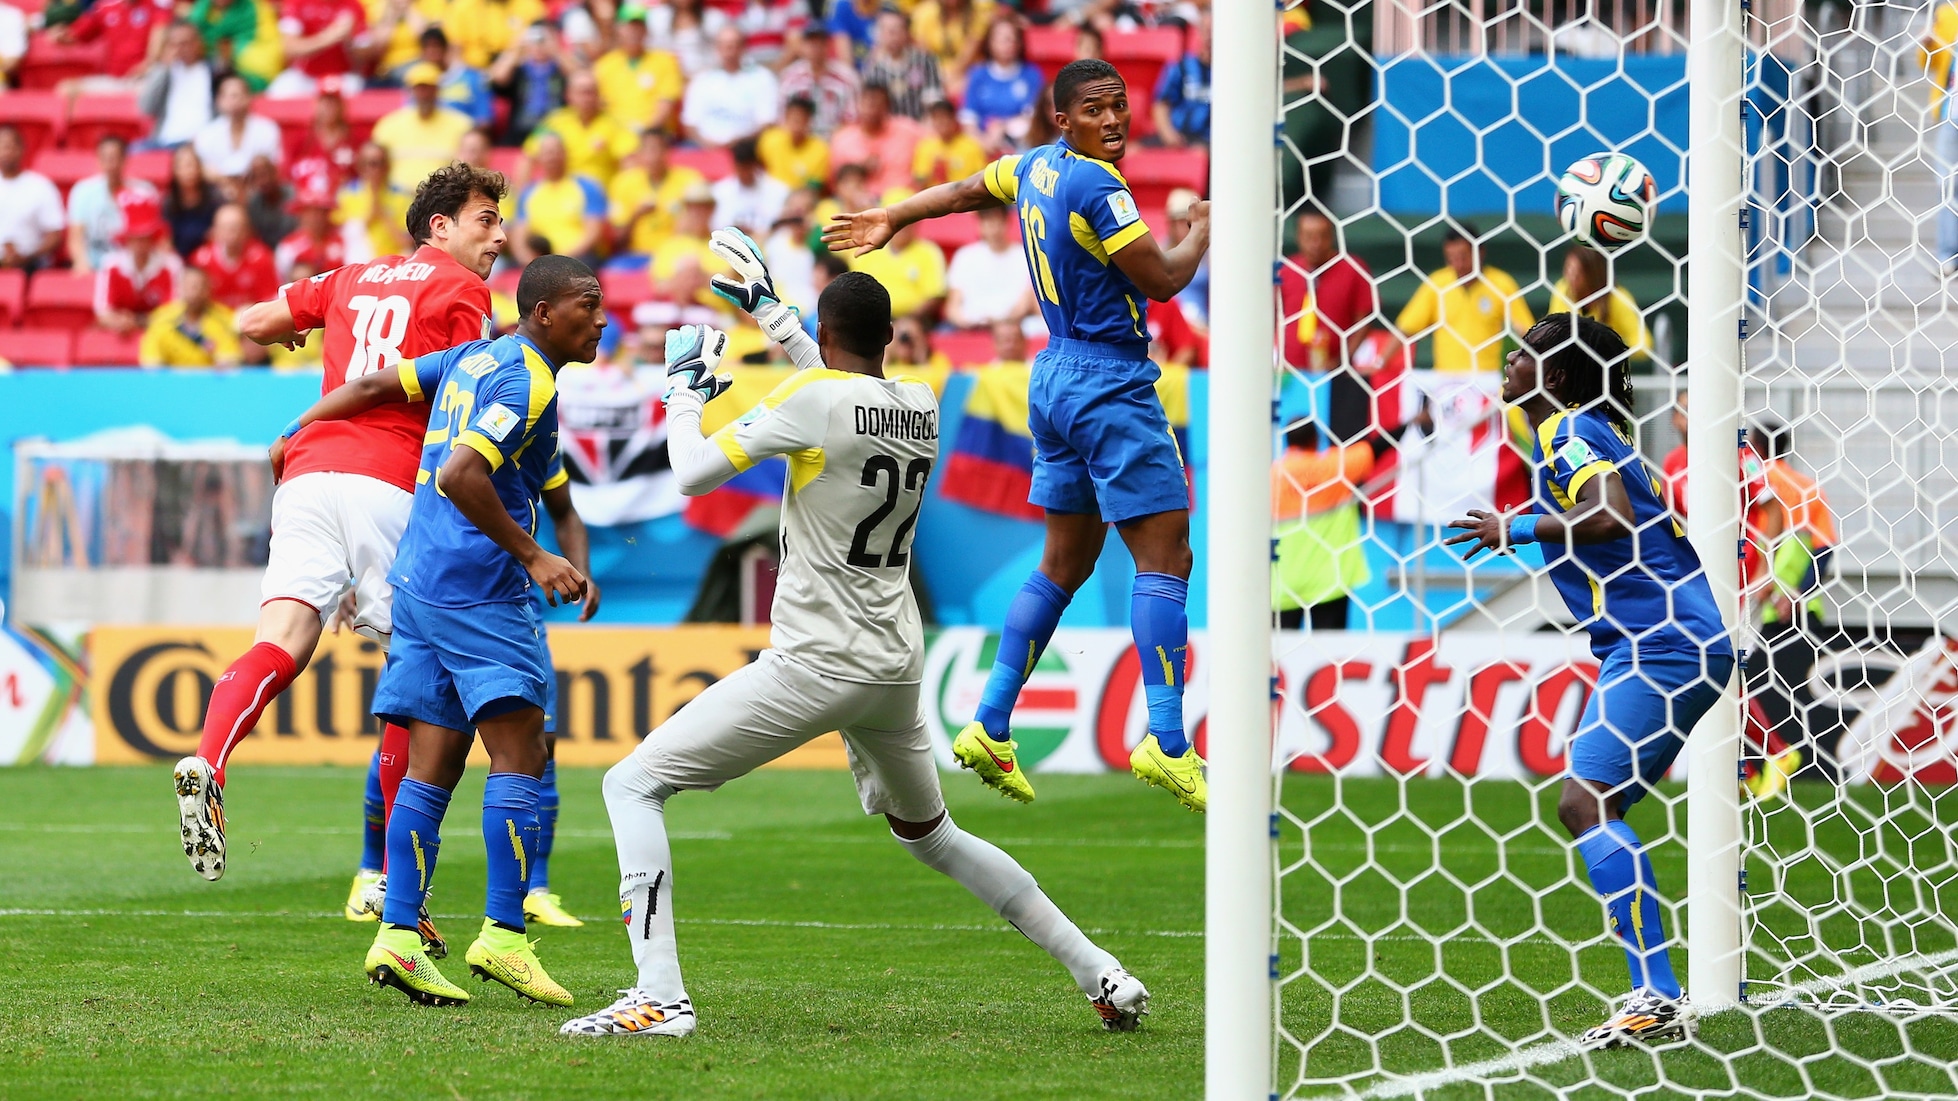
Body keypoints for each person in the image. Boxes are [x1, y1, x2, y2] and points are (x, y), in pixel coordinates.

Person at [557, 230, 1151, 1038]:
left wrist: (685, 389)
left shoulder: (817, 401)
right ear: (889, 339)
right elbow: (837, 394)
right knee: (933, 834)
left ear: (829, 337)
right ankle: (1101, 971)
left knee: (631, 784)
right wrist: (779, 319)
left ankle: (660, 995)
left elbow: (694, 471)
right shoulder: (920, 402)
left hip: (815, 662)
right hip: (893, 664)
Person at [824, 58, 1212, 810]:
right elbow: (1162, 280)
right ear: (1063, 119)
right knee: (1166, 554)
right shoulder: (1099, 185)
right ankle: (1169, 742)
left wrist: (896, 215)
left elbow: (969, 189)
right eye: (1095, 109)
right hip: (1110, 381)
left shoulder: (1034, 167)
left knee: (1064, 562)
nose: (1114, 120)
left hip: (1053, 377)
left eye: (1120, 106)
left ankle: (991, 722)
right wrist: (1198, 230)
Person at [264, 256, 598, 1008]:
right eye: (589, 304)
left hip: (415, 581)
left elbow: (372, 384)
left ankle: (398, 935)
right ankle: (505, 937)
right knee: (521, 750)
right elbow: (459, 473)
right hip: (477, 589)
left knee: (432, 762)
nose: (603, 318)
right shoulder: (526, 377)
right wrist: (534, 554)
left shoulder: (475, 356)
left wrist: (297, 427)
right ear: (545, 312)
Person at [171, 164, 506, 894]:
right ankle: (390, 883)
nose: (500, 236)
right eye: (486, 220)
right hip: (387, 481)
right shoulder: (465, 292)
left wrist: (299, 335)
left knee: (282, 639)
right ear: (439, 227)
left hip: (307, 471)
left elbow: (251, 322)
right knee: (412, 673)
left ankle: (209, 759)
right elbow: (467, 397)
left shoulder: (348, 276)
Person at [1444, 314, 1733, 1048]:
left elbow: (1608, 516)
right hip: (1659, 640)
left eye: (1526, 355)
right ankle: (1656, 990)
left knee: (1586, 801)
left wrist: (1515, 527)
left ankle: (1657, 995)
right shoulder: (1572, 435)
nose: (1509, 363)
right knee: (1593, 804)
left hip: (1661, 642)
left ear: (1561, 378)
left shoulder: (1568, 431)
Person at [1271, 397, 1372, 631]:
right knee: (1329, 656)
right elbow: (1374, 449)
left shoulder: (1272, 477)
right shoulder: (1335, 468)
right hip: (1331, 580)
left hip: (1283, 582)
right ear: (1316, 440)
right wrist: (1411, 423)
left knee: (1283, 657)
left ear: (1287, 442)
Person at [1280, 209, 1379, 442]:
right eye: (1308, 236)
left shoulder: (1352, 268)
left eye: (1321, 236)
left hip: (1338, 377)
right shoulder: (1286, 270)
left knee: (1335, 443)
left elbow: (1365, 318)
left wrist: (1343, 358)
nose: (1315, 243)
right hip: (1292, 377)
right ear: (1298, 237)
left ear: (1332, 237)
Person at [1394, 223, 1533, 374]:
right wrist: (1380, 362)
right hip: (1446, 380)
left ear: (1480, 252)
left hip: (1489, 380)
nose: (1458, 265)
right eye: (1451, 259)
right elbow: (1406, 328)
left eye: (1463, 257)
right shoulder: (1437, 284)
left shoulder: (1502, 284)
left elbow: (1525, 331)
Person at [371, 62, 474, 189]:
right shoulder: (388, 125)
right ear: (410, 91)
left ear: (438, 90)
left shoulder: (461, 125)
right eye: (419, 88)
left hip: (443, 196)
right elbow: (374, 165)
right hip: (397, 196)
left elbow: (470, 166)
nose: (424, 94)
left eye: (429, 88)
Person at [525, 68, 637, 185]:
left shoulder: (614, 124)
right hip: (564, 195)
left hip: (601, 196)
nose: (587, 98)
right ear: (569, 95)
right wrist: (523, 196)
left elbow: (629, 163)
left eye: (591, 92)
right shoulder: (554, 122)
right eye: (582, 92)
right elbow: (528, 157)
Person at [67, 135, 160, 273]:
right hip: (94, 267)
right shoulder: (82, 191)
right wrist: (82, 265)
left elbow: (155, 238)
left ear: (125, 159)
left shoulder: (144, 192)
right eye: (105, 158)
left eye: (115, 157)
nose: (110, 163)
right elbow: (75, 237)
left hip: (133, 271)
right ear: (98, 160)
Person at [608, 128, 705, 259]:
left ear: (667, 151)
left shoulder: (689, 180)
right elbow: (617, 238)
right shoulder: (624, 183)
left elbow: (701, 223)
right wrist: (636, 215)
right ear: (639, 153)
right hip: (636, 255)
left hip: (676, 254)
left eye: (658, 149)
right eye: (648, 150)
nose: (653, 156)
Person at [513, 132, 605, 265]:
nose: (552, 157)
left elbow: (593, 234)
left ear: (565, 154)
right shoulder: (529, 193)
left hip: (578, 259)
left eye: (556, 151)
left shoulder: (587, 187)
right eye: (547, 153)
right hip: (540, 260)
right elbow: (519, 239)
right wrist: (530, 261)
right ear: (540, 158)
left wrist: (558, 260)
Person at [680, 26, 779, 148]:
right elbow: (690, 124)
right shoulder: (702, 80)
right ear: (717, 48)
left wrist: (739, 144)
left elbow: (767, 122)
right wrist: (709, 145)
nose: (729, 51)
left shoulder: (762, 78)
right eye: (724, 46)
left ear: (743, 47)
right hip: (706, 150)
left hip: (749, 150)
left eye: (734, 45)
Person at [1550, 244, 1652, 362]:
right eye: (1567, 270)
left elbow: (1643, 344)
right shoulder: (1562, 290)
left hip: (1609, 372)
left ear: (1592, 274)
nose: (1570, 278)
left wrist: (1609, 348)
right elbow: (1552, 333)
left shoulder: (1617, 298)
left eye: (1577, 274)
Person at [592, 5, 683, 137]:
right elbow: (600, 107)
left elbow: (665, 105)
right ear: (618, 29)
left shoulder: (665, 61)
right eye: (628, 26)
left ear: (646, 30)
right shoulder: (604, 65)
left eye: (639, 26)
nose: (634, 31)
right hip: (616, 137)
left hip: (654, 136)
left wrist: (645, 133)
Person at [95, 199, 181, 332]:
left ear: (153, 239)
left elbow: (175, 312)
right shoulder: (111, 265)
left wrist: (137, 322)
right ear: (127, 240)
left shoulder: (171, 265)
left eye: (145, 238)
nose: (140, 245)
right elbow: (102, 312)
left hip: (160, 334)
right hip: (119, 333)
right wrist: (119, 322)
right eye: (135, 238)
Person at [944, 203, 1033, 330]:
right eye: (987, 222)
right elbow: (953, 306)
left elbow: (1026, 302)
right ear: (979, 224)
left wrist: (1002, 322)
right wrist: (967, 323)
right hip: (970, 327)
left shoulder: (1024, 256)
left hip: (1013, 326)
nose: (993, 228)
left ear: (1007, 221)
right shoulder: (964, 256)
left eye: (997, 221)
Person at [960, 15, 1041, 153]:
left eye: (1011, 39)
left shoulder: (1031, 75)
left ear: (1019, 43)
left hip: (1019, 143)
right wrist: (984, 142)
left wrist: (1003, 127)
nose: (1007, 44)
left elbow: (1033, 117)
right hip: (982, 142)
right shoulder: (978, 75)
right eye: (1001, 39)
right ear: (989, 42)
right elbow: (968, 118)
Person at [830, 82, 922, 196]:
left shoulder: (909, 131)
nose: (870, 108)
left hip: (901, 202)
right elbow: (834, 183)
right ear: (857, 104)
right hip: (858, 204)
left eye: (876, 103)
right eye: (866, 102)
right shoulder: (842, 140)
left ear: (887, 106)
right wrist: (859, 169)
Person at [139, 266, 240, 366]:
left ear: (208, 289)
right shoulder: (161, 318)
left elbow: (228, 361)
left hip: (210, 380)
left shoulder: (224, 319)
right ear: (180, 288)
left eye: (200, 286)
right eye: (190, 286)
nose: (195, 292)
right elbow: (151, 363)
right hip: (171, 380)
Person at [139, 21, 217, 149]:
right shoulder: (165, 72)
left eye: (185, 43)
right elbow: (146, 108)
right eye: (174, 45)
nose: (180, 49)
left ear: (198, 43)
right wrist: (163, 68)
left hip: (203, 142)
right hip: (166, 141)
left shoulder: (214, 71)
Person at [191, 74, 284, 180]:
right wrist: (224, 181)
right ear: (218, 100)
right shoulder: (206, 134)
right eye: (225, 96)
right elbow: (202, 168)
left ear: (248, 98)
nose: (231, 101)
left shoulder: (267, 129)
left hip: (258, 190)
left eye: (235, 95)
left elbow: (274, 166)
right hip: (217, 191)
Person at [190, 203, 280, 311]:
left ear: (247, 230)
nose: (232, 234)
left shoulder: (261, 257)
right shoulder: (201, 260)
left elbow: (270, 298)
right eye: (225, 228)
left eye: (237, 227)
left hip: (251, 319)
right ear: (215, 230)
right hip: (212, 322)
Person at [0, 125, 65, 272]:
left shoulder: (41, 186)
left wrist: (27, 256)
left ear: (21, 149)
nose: (6, 152)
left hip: (32, 265)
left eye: (10, 146)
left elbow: (55, 236)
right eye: (2, 147)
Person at [775, 24, 858, 136]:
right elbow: (781, 117)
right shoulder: (790, 77)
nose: (815, 48)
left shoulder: (846, 77)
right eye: (811, 43)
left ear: (828, 46)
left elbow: (852, 119)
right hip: (800, 141)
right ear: (802, 46)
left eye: (820, 43)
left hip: (836, 140)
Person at [336, 142, 414, 262]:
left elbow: (407, 241)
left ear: (387, 166)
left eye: (377, 163)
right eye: (366, 164)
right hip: (359, 263)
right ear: (359, 167)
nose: (372, 169)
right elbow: (346, 236)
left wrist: (383, 215)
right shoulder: (348, 194)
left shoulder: (402, 196)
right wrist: (371, 213)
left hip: (394, 262)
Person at [861, 8, 942, 120]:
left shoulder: (925, 61)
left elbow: (934, 101)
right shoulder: (873, 68)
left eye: (898, 30)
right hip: (887, 130)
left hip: (921, 126)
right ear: (879, 35)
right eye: (888, 31)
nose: (893, 37)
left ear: (907, 33)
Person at [1150, 11, 1209, 149]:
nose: (1210, 36)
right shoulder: (1181, 66)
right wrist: (1168, 134)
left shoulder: (1232, 73)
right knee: (1132, 152)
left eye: (1215, 31)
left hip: (1210, 141)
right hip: (1179, 135)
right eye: (1206, 30)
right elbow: (1161, 104)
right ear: (1199, 33)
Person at [709, 138, 790, 239]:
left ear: (755, 165)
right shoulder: (719, 192)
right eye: (741, 169)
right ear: (735, 166)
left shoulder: (779, 190)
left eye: (748, 168)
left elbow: (782, 227)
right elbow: (715, 227)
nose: (745, 174)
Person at [910, 0, 992, 97]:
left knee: (961, 86)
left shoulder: (978, 14)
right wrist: (938, 75)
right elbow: (924, 50)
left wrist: (950, 77)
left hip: (967, 70)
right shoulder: (924, 12)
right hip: (933, 70)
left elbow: (967, 56)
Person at [756, 96, 830, 191]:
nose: (796, 125)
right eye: (793, 119)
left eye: (801, 120)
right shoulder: (769, 139)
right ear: (786, 117)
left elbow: (814, 187)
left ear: (809, 121)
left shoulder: (820, 149)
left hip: (799, 198)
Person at [162, 144, 222, 258]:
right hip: (179, 257)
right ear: (174, 171)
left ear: (199, 168)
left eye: (191, 165)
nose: (188, 171)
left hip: (210, 256)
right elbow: (165, 240)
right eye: (181, 166)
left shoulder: (215, 197)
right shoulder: (169, 202)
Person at [913, 96, 987, 187]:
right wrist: (932, 171)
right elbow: (919, 180)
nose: (941, 122)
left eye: (945, 117)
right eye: (937, 118)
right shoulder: (925, 147)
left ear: (954, 119)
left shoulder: (971, 146)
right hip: (934, 197)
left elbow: (981, 179)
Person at [274, 186, 346, 278]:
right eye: (309, 212)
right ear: (300, 215)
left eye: (320, 212)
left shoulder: (343, 240)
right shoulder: (288, 246)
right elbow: (283, 280)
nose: (315, 218)